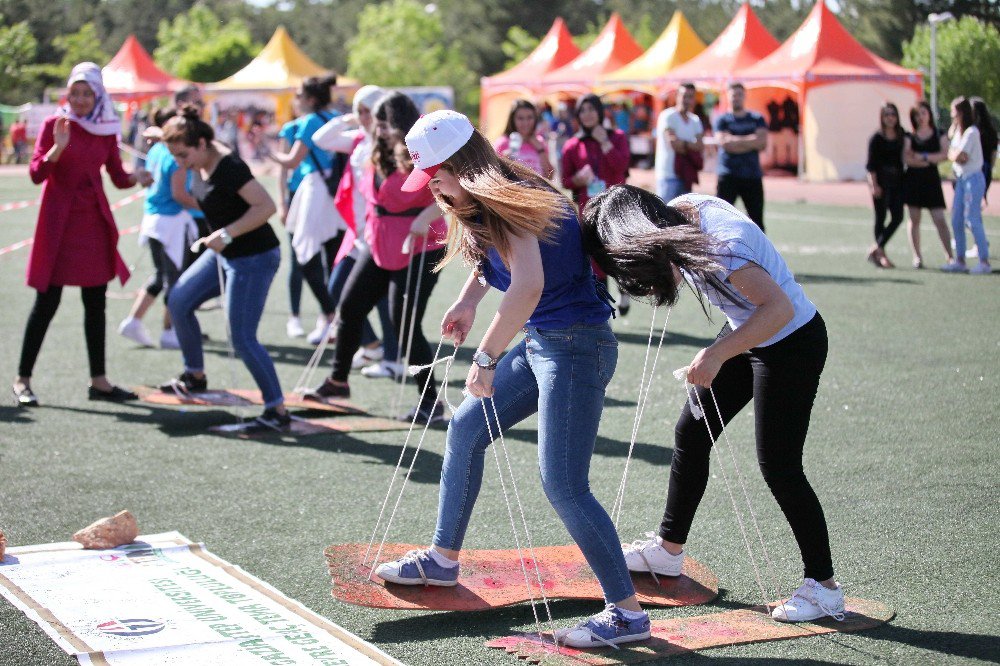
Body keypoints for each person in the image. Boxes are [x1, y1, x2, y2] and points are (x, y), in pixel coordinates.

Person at [373, 111, 651, 649]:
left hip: (575, 347)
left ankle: (627, 614)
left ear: (459, 165)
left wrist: (486, 356)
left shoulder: (509, 196)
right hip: (548, 342)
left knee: (564, 484)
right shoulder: (491, 193)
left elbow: (526, 287)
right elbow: (495, 265)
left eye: (435, 176)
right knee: (466, 428)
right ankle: (441, 560)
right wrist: (469, 299)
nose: (432, 188)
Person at [581, 185, 844, 624]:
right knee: (691, 431)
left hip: (791, 341)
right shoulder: (680, 213)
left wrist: (718, 353)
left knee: (780, 465)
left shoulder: (726, 243)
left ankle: (825, 588)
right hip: (751, 330)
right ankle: (668, 552)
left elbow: (776, 309)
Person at [303, 93, 447, 424]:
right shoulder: (373, 146)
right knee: (350, 307)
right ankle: (338, 382)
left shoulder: (424, 151)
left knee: (405, 324)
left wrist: (428, 213)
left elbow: (453, 192)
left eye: (383, 124)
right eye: (375, 123)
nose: (377, 130)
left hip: (418, 244)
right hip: (379, 240)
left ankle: (430, 403)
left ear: (399, 123)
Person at [13, 62, 150, 407]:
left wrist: (139, 178)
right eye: (75, 92)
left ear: (98, 95)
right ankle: (22, 379)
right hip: (58, 222)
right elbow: (36, 174)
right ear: (67, 94)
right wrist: (57, 147)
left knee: (96, 302)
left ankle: (99, 382)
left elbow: (118, 177)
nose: (80, 99)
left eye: (87, 93)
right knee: (47, 301)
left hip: (92, 222)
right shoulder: (53, 125)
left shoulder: (106, 129)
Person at [159, 106, 290, 431]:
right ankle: (195, 376)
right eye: (174, 156)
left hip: (254, 257)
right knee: (178, 301)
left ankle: (276, 410)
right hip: (223, 253)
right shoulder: (197, 159)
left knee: (242, 337)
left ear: (203, 143)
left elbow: (267, 206)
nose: (180, 162)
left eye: (183, 154)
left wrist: (228, 233)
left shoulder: (229, 166)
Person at [312, 85, 400, 378]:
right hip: (359, 230)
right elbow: (320, 139)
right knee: (337, 288)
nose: (363, 116)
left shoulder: (392, 142)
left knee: (385, 299)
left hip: (383, 229)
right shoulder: (359, 139)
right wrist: (348, 119)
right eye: (359, 110)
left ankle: (392, 357)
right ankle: (372, 344)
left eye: (367, 110)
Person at [266, 75, 345, 345]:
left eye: (299, 95)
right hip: (335, 193)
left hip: (315, 191)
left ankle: (328, 312)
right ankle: (333, 318)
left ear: (310, 99)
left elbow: (291, 161)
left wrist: (267, 152)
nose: (296, 100)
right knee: (333, 256)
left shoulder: (310, 121)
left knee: (304, 254)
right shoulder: (334, 117)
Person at [118, 107, 200, 349]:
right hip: (170, 224)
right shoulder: (176, 157)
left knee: (162, 276)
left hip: (154, 220)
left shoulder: (155, 150)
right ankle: (170, 330)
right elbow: (179, 194)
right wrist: (209, 207)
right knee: (175, 281)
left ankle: (134, 321)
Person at [560, 94, 632, 316]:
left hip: (615, 207)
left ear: (600, 112)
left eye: (592, 109)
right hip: (588, 208)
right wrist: (577, 180)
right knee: (595, 260)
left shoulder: (617, 137)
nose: (587, 114)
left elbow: (621, 166)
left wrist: (605, 143)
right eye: (583, 110)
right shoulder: (573, 145)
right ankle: (604, 310)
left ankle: (624, 289)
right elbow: (565, 180)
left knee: (619, 253)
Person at [942, 97, 990, 274]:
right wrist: (952, 152)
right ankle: (960, 260)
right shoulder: (959, 132)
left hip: (973, 179)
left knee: (972, 218)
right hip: (961, 179)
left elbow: (961, 156)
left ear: (961, 112)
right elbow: (950, 147)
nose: (951, 114)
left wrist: (952, 154)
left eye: (954, 111)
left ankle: (984, 261)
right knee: (956, 219)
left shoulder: (972, 132)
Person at [902, 101, 952, 269]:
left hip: (931, 181)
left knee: (940, 219)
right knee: (914, 219)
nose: (921, 117)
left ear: (929, 114)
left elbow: (945, 154)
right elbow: (907, 158)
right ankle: (917, 256)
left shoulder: (939, 134)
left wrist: (923, 157)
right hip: (913, 181)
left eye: (923, 113)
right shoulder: (910, 136)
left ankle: (950, 256)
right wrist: (926, 159)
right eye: (917, 114)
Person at [714, 82, 768, 231]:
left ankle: (758, 253)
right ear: (727, 97)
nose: (736, 98)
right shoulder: (722, 120)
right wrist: (751, 141)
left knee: (756, 221)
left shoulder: (757, 118)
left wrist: (735, 140)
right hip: (728, 175)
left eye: (739, 95)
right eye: (733, 95)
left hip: (752, 176)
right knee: (720, 219)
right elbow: (725, 144)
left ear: (744, 96)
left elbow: (762, 143)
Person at [276, 109, 306, 338]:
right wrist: (282, 201)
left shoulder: (328, 121)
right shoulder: (292, 129)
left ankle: (329, 316)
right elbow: (284, 167)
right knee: (296, 260)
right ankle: (294, 316)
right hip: (297, 195)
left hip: (325, 197)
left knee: (327, 263)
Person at [865, 103, 906, 269]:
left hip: (897, 182)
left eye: (893, 114)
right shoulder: (876, 138)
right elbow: (871, 165)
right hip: (881, 183)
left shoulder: (902, 135)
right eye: (887, 114)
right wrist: (874, 185)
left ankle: (876, 248)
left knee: (898, 217)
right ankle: (881, 255)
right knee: (880, 218)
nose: (890, 117)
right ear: (882, 117)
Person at [654, 83, 704, 202]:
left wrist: (684, 144)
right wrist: (691, 146)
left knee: (683, 217)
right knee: (664, 216)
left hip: (686, 175)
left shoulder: (695, 120)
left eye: (690, 97)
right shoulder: (668, 116)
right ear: (677, 96)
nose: (687, 100)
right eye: (684, 96)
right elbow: (674, 144)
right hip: (668, 175)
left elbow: (700, 146)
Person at [494, 99, 553, 178]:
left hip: (537, 189)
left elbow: (549, 176)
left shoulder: (540, 142)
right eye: (520, 118)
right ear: (512, 120)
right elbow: (495, 176)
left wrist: (540, 150)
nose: (525, 123)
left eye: (529, 117)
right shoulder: (502, 143)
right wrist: (504, 161)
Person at [970, 97, 997, 206]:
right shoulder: (991, 131)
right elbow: (993, 154)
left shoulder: (971, 131)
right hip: (986, 169)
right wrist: (990, 169)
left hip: (975, 169)